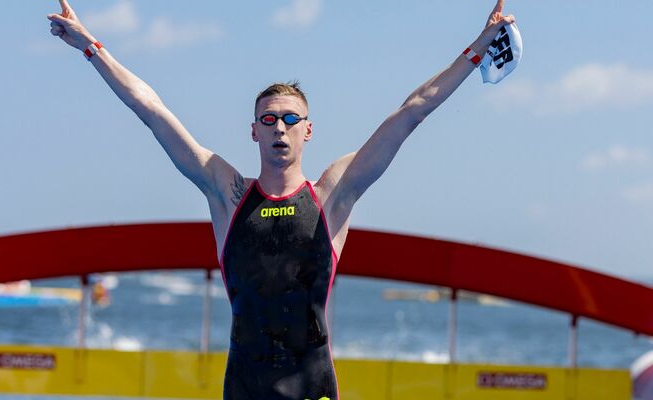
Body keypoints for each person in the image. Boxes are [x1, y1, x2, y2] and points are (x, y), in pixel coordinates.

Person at [47, 1, 515, 399]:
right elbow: (151, 111)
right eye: (268, 120)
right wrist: (92, 47)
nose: (280, 129)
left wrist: (477, 50)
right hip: (244, 386)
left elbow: (413, 111)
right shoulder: (226, 192)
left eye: (291, 119)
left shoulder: (333, 194)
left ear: (308, 130)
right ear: (253, 131)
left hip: (313, 385)